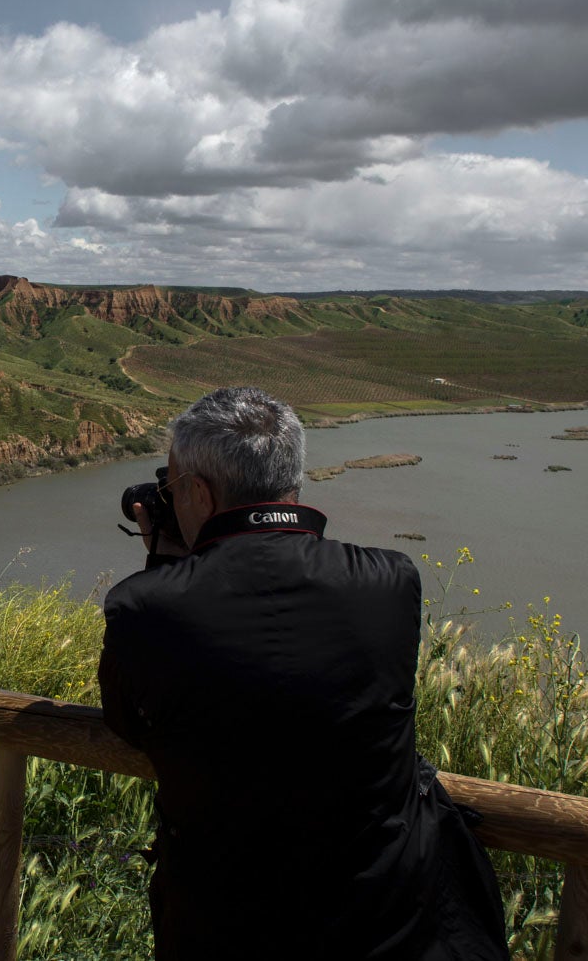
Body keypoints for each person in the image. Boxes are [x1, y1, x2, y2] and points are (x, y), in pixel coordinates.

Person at [99, 387, 508, 960]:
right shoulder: (389, 583)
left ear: (196, 492)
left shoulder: (144, 607)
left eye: (171, 487)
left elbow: (129, 721)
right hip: (391, 930)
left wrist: (169, 562)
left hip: (221, 933)